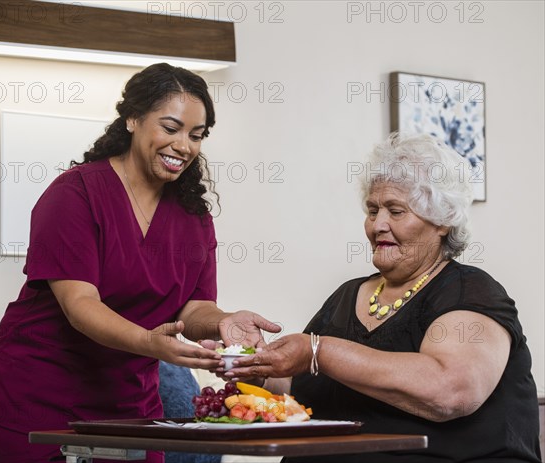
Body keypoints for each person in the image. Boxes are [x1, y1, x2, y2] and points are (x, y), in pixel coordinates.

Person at [0, 63, 280, 463]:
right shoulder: (75, 195)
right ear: (133, 118)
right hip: (36, 399)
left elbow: (194, 307)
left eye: (196, 135)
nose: (184, 145)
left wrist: (223, 322)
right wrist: (149, 342)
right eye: (170, 128)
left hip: (129, 408)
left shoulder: (193, 216)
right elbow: (81, 306)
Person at [226, 133, 542, 462]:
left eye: (396, 211)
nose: (378, 225)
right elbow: (302, 391)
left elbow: (451, 390)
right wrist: (258, 370)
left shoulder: (468, 291)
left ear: (442, 222)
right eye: (373, 210)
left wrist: (319, 352)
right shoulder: (347, 295)